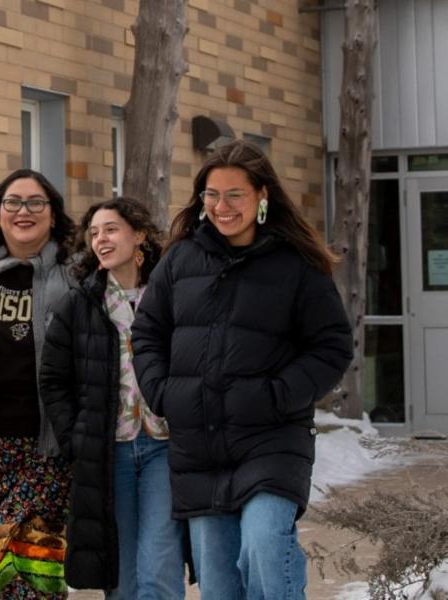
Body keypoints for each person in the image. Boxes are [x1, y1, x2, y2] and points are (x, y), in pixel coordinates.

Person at [131, 140, 353, 600]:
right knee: (218, 583)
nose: (221, 206)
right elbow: (148, 330)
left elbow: (331, 346)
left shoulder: (297, 264)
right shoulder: (181, 259)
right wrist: (162, 391)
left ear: (262, 197)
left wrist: (276, 395)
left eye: (235, 194)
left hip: (270, 439)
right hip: (200, 447)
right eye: (212, 195)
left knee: (264, 549)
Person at [40, 197, 186, 599]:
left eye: (111, 229)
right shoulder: (78, 304)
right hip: (108, 455)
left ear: (139, 235)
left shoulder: (171, 296)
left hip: (164, 446)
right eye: (94, 233)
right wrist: (76, 438)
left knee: (159, 565)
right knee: (122, 576)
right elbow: (53, 379)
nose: (101, 239)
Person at [0, 168, 77, 599]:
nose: (23, 211)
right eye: (13, 202)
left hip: (47, 443)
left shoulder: (73, 267)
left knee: (37, 559)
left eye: (35, 203)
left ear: (53, 213)